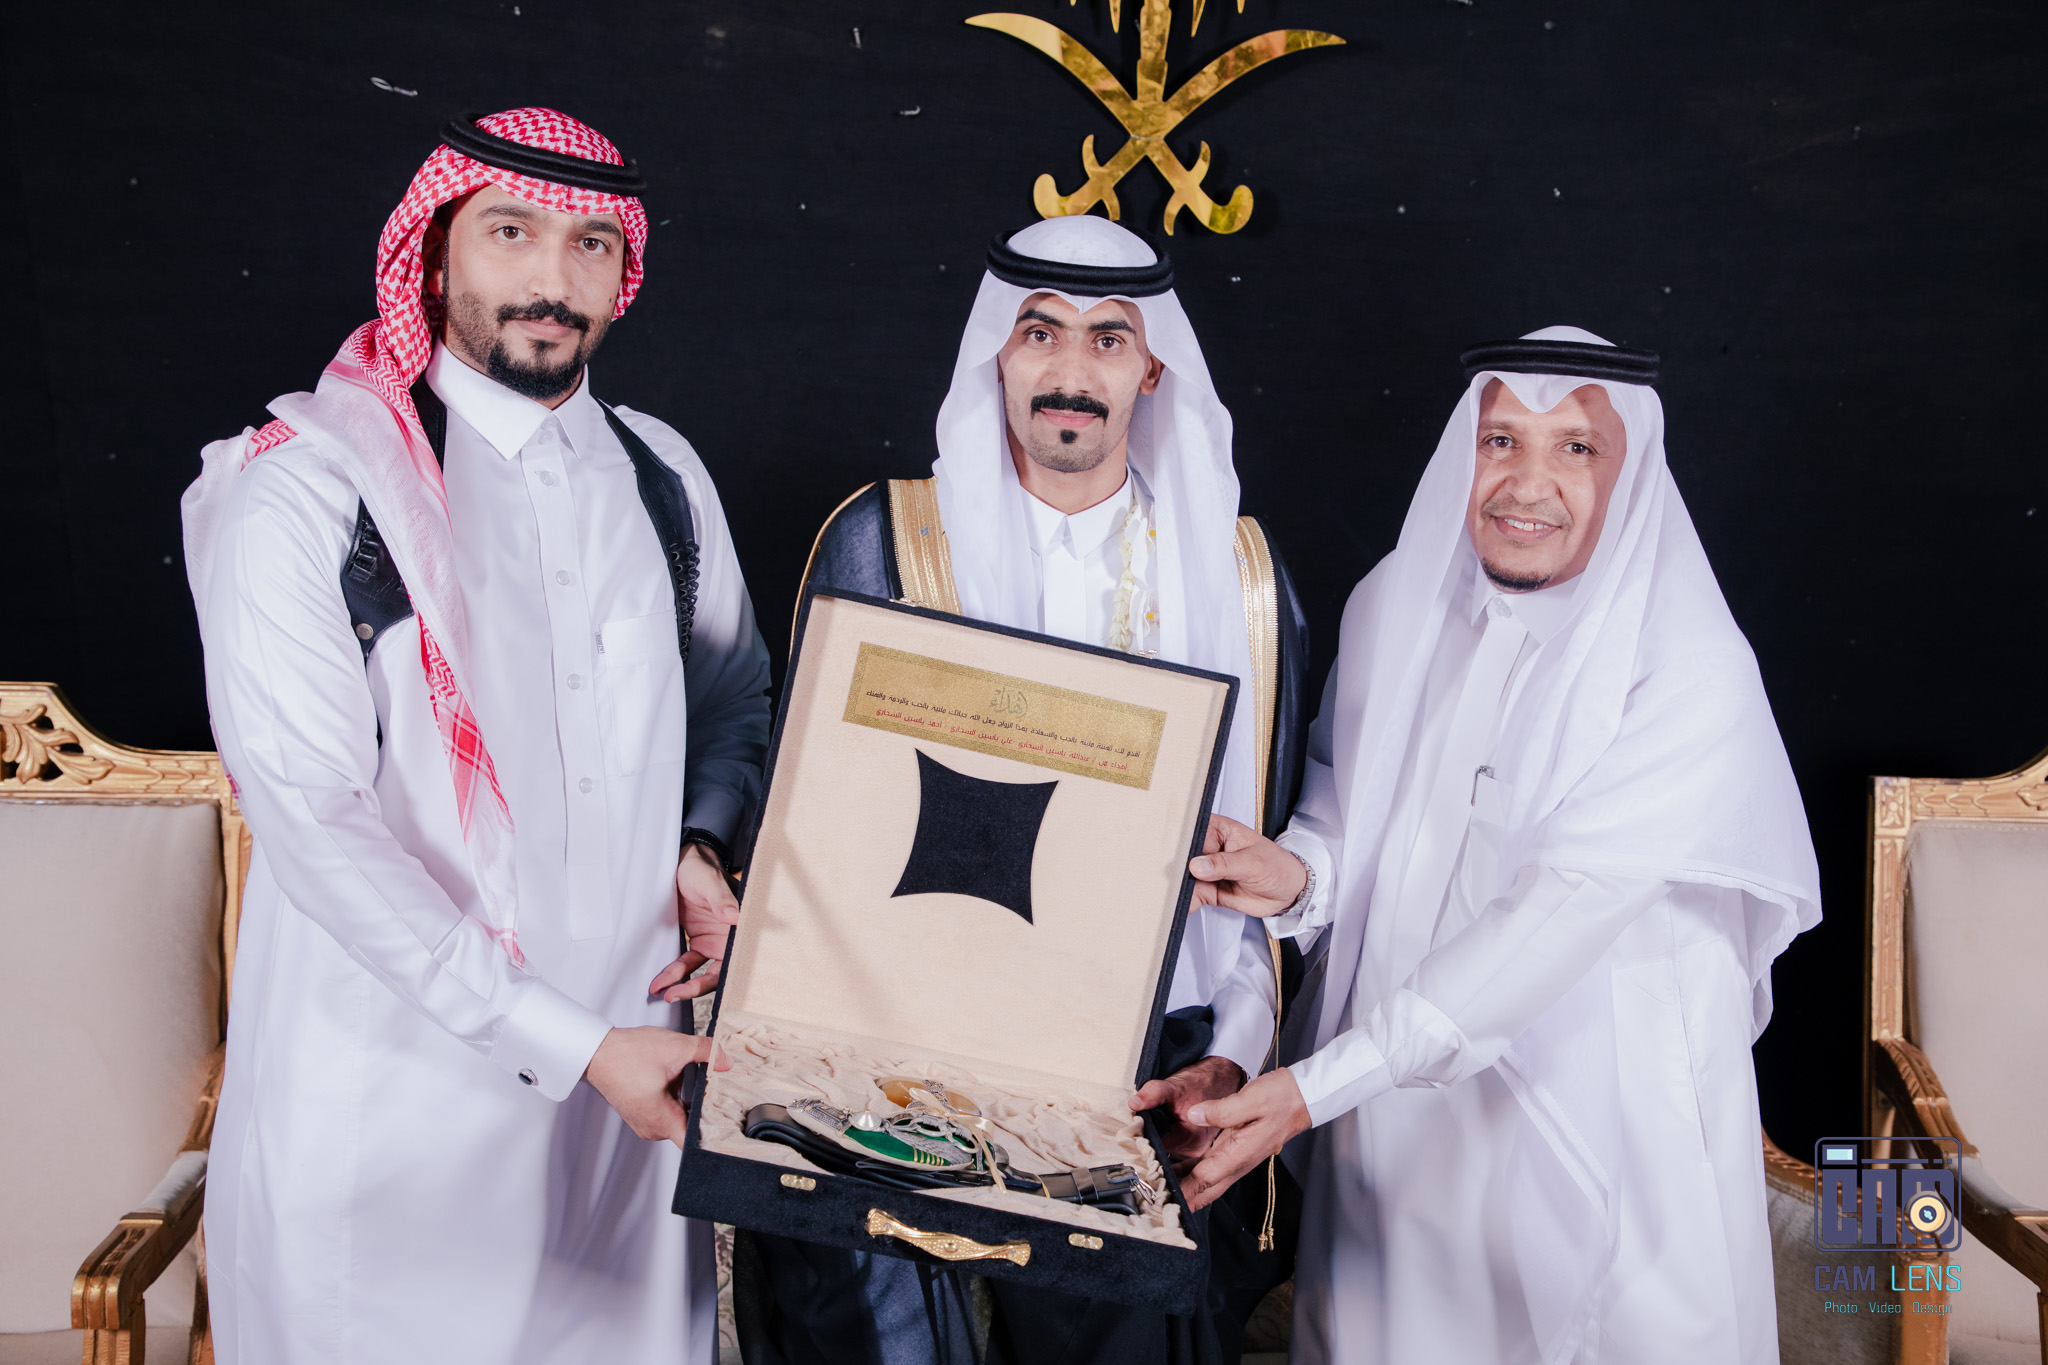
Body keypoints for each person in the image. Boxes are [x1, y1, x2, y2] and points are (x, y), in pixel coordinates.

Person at [179, 109, 772, 1364]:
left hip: (625, 1126)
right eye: (510, 233)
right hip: (388, 1129)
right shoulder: (312, 489)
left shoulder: (663, 476)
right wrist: (575, 1047)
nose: (552, 279)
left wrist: (702, 847)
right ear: (435, 254)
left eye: (590, 243)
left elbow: (729, 695)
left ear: (625, 271)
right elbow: (317, 829)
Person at [1177, 329, 1822, 1363]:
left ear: (1630, 474)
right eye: (1501, 440)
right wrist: (1296, 876)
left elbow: (1551, 922)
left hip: (1594, 1130)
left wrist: (1312, 1090)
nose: (1527, 483)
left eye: (1576, 448)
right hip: (1388, 1124)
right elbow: (1352, 811)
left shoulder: (1688, 668)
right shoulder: (1395, 603)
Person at [736, 216, 1311, 1365]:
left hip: (1148, 1068)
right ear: (994, 353)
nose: (1069, 371)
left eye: (1108, 340)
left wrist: (1234, 1053)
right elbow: (809, 846)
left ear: (1152, 370)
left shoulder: (1236, 577)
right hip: (897, 1062)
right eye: (1038, 332)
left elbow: (1259, 873)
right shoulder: (887, 546)